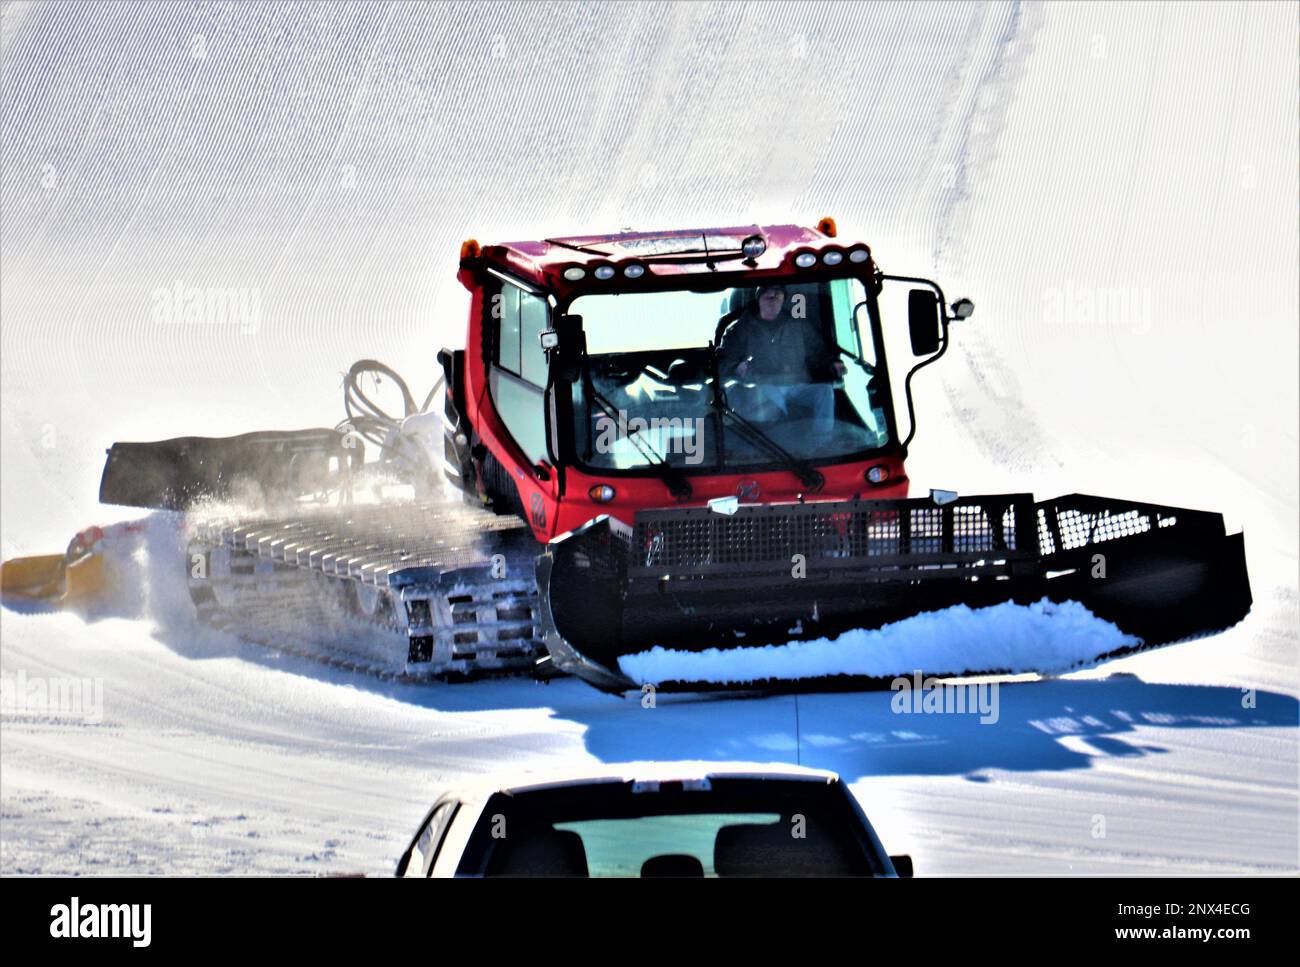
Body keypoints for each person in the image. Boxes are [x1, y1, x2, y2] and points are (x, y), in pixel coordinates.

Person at [716, 285, 844, 441]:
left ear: (783, 301)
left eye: (778, 297)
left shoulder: (798, 325)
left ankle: (822, 443)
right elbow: (723, 361)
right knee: (771, 409)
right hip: (762, 386)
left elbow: (817, 351)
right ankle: (775, 444)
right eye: (768, 297)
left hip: (796, 384)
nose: (773, 301)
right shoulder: (740, 329)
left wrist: (832, 363)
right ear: (759, 300)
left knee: (824, 391)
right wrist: (736, 367)